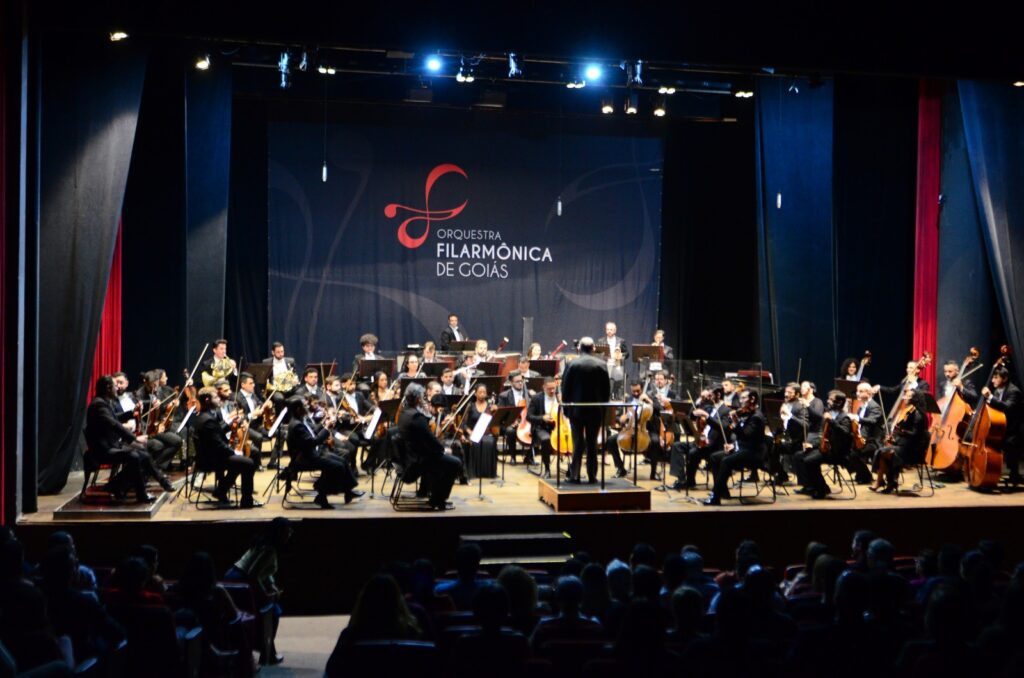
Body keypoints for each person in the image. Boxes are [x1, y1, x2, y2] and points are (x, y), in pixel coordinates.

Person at [85, 375, 173, 502]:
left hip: (110, 445)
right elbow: (114, 424)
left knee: (143, 454)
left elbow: (115, 417)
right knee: (135, 456)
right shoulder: (98, 405)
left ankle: (118, 485)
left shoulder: (102, 402)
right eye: (115, 386)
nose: (117, 388)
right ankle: (140, 493)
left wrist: (132, 413)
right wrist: (135, 439)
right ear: (108, 388)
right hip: (102, 449)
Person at [225, 517, 293, 666]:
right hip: (240, 581)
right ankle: (267, 653)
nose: (289, 535)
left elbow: (265, 572)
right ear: (279, 534)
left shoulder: (263, 543)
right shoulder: (269, 549)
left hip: (236, 576)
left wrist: (272, 585)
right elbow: (253, 575)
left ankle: (269, 652)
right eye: (287, 532)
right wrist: (266, 595)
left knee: (272, 610)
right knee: (273, 612)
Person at [325, 574, 421, 677]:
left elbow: (332, 671)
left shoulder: (350, 636)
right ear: (398, 600)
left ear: (365, 600)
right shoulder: (411, 633)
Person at [284, 397, 362, 508]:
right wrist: (326, 428)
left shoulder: (300, 420)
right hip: (304, 458)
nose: (307, 408)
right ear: (298, 409)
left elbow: (313, 433)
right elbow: (313, 441)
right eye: (304, 406)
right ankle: (321, 493)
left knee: (342, 460)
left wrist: (324, 423)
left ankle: (348, 492)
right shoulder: (297, 425)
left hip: (311, 454)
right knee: (337, 466)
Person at [193, 387, 261, 507]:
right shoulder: (208, 420)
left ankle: (221, 490)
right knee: (248, 463)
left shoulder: (205, 415)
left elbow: (217, 432)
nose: (218, 399)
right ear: (208, 400)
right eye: (215, 397)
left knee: (249, 456)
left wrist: (231, 424)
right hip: (212, 459)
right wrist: (234, 452)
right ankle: (246, 500)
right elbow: (218, 445)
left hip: (213, 454)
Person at [398, 384, 462, 510]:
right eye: (422, 398)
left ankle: (435, 497)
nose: (424, 400)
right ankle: (439, 500)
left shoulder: (405, 412)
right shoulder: (417, 417)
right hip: (417, 461)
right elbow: (431, 440)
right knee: (455, 463)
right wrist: (443, 450)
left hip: (408, 457)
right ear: (417, 400)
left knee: (443, 462)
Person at [561, 337, 611, 483]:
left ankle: (574, 475)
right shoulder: (602, 364)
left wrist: (566, 410)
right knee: (592, 443)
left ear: (579, 348)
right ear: (593, 348)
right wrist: (604, 411)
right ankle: (592, 476)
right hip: (595, 411)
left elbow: (565, 389)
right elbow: (606, 391)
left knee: (578, 443)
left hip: (576, 411)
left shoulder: (572, 364)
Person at [704, 389, 766, 505]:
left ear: (752, 400)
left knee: (726, 461)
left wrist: (736, 422)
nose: (740, 401)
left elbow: (746, 435)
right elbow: (741, 438)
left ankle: (715, 497)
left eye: (744, 398)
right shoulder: (747, 413)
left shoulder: (756, 417)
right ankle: (722, 491)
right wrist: (733, 445)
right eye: (740, 398)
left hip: (753, 453)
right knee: (714, 457)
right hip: (743, 449)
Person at [792, 390, 853, 499]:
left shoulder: (844, 418)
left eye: (831, 399)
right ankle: (809, 486)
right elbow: (823, 435)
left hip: (838, 452)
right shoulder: (828, 414)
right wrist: (812, 445)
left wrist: (832, 421)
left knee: (809, 461)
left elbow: (845, 433)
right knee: (799, 455)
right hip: (827, 449)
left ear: (839, 403)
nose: (828, 401)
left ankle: (821, 488)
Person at [872, 387, 930, 493]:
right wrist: (894, 438)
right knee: (884, 452)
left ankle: (885, 482)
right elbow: (905, 436)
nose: (904, 398)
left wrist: (901, 431)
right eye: (905, 395)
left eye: (908, 396)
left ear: (915, 399)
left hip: (913, 450)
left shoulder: (918, 415)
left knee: (884, 452)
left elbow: (915, 435)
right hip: (904, 446)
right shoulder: (909, 412)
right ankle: (887, 482)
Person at [670, 387, 728, 489]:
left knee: (693, 452)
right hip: (701, 440)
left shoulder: (725, 410)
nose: (708, 398)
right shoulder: (711, 407)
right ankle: (682, 479)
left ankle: (690, 481)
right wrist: (697, 403)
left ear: (718, 395)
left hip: (713, 444)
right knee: (677, 445)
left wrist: (707, 416)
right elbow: (692, 416)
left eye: (711, 395)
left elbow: (722, 427)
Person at [981, 366, 1024, 483]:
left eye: (996, 378)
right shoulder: (997, 390)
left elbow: (1008, 408)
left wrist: (990, 397)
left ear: (1004, 379)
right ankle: (991, 471)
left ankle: (1014, 473)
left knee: (1009, 443)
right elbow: (994, 408)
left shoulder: (1014, 391)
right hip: (1001, 426)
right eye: (993, 378)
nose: (992, 380)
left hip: (1012, 429)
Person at [459, 383, 498, 479]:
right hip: (473, 433)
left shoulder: (490, 406)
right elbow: (463, 423)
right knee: (475, 442)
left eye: (484, 392)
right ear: (475, 394)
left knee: (491, 442)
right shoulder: (470, 406)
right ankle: (475, 472)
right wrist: (469, 431)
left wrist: (495, 411)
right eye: (480, 392)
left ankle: (488, 473)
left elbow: (495, 422)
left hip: (487, 433)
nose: (482, 394)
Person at [527, 377, 561, 478]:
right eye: (549, 388)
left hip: (558, 427)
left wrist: (562, 403)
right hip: (541, 427)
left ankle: (571, 468)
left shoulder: (559, 397)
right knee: (546, 439)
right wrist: (542, 417)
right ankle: (547, 468)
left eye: (553, 388)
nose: (552, 391)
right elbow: (529, 416)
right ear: (544, 387)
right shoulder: (536, 398)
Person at [596, 322, 628, 397]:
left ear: (615, 330)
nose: (609, 331)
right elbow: (597, 353)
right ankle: (606, 397)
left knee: (618, 384)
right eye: (607, 329)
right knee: (605, 384)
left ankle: (617, 398)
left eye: (611, 329)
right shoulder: (600, 341)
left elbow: (627, 353)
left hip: (617, 365)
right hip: (605, 365)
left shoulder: (621, 341)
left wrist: (621, 355)